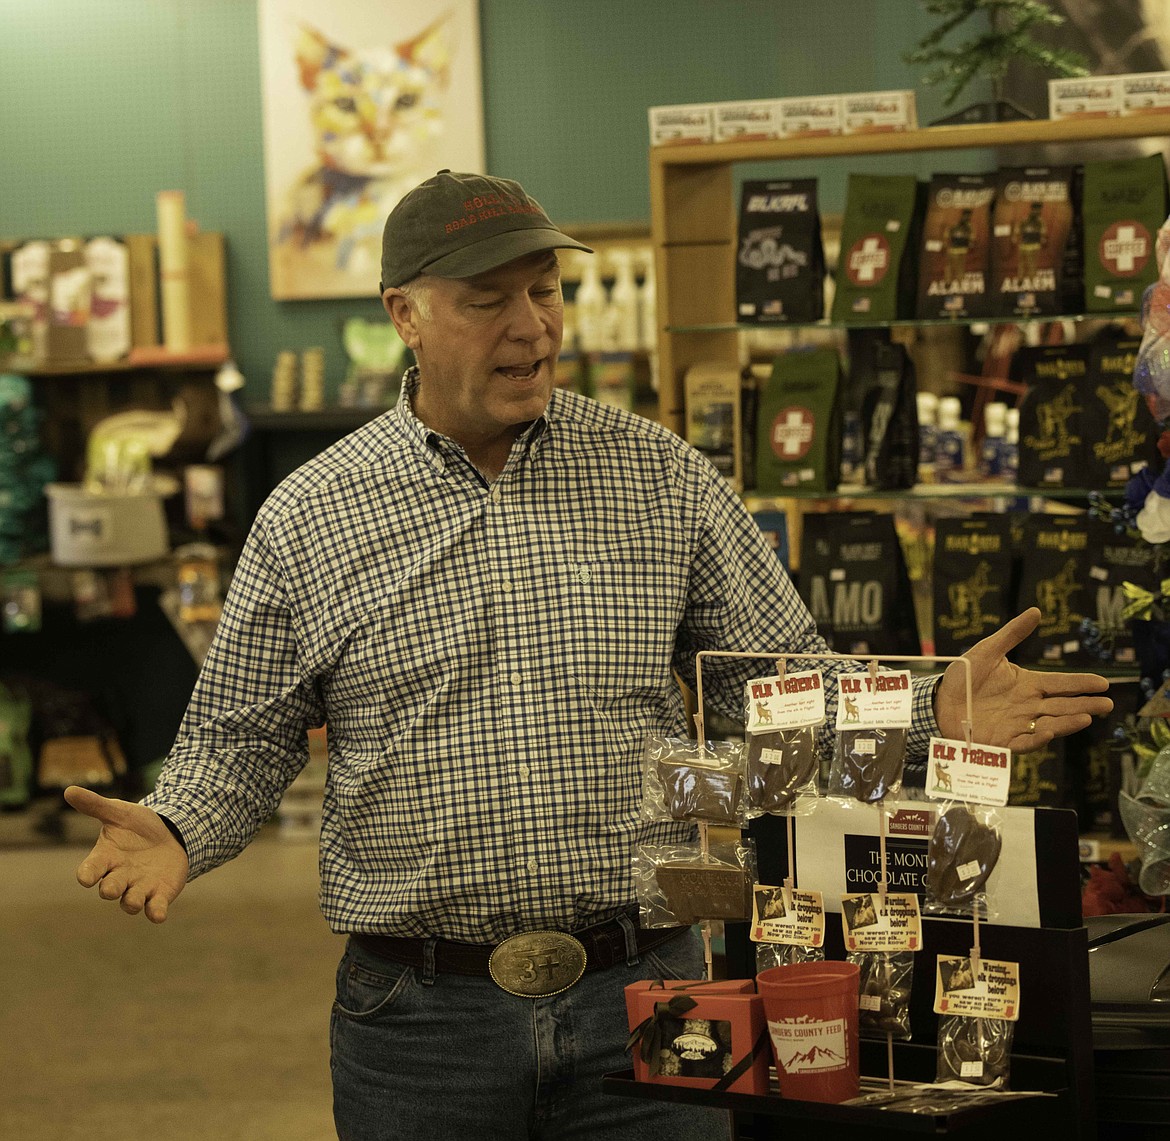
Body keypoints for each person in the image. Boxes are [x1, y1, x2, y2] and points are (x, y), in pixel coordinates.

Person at [65, 170, 1113, 1140]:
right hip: (419, 1023)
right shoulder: (313, 513)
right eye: (489, 299)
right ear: (406, 315)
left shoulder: (656, 472)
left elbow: (770, 687)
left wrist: (928, 710)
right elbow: (244, 730)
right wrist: (176, 825)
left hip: (645, 1000)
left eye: (545, 289)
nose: (533, 328)